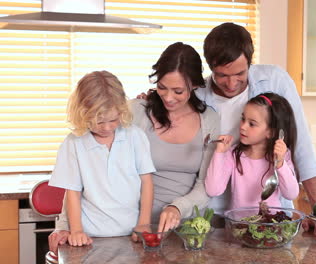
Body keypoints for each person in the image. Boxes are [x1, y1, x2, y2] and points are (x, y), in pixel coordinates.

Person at [48, 42, 220, 254]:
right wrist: (67, 227)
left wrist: (177, 208)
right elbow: (77, 184)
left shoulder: (209, 120)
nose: (167, 97)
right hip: (133, 232)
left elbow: (208, 184)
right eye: (162, 87)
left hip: (182, 228)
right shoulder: (134, 111)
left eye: (178, 91)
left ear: (194, 85)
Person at [195, 22, 316, 233]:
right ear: (210, 68)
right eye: (221, 75)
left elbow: (302, 146)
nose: (231, 83)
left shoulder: (275, 80)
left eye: (240, 73)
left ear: (250, 63)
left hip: (274, 217)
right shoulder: (198, 95)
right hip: (218, 216)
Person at [48, 71, 155, 247]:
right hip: (90, 235)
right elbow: (73, 192)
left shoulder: (135, 136)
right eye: (98, 122)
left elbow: (147, 182)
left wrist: (144, 223)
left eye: (113, 120)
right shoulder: (74, 143)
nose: (107, 127)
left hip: (130, 233)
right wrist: (76, 231)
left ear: (122, 110)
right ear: (83, 113)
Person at [205, 93, 299, 208]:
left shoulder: (282, 156)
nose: (243, 126)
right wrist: (219, 153)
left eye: (252, 124)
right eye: (243, 119)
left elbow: (291, 194)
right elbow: (213, 190)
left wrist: (280, 163)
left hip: (271, 224)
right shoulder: (234, 154)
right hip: (238, 224)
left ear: (271, 132)